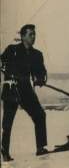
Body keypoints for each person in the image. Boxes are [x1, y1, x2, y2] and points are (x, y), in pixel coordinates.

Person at [1, 24, 49, 160]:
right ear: (22, 37)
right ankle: (5, 152)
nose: (33, 37)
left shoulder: (37, 55)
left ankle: (40, 148)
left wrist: (39, 79)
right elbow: (1, 63)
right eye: (30, 34)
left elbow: (41, 72)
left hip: (26, 89)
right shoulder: (12, 50)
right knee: (7, 123)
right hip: (11, 88)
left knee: (39, 115)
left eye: (34, 34)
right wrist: (8, 71)